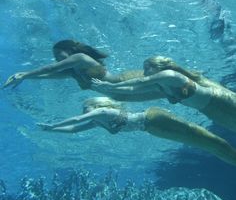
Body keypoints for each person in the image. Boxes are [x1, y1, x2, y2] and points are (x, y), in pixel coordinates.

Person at [37, 97, 236, 166]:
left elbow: (78, 119)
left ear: (95, 105)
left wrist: (54, 124)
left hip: (153, 117)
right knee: (198, 140)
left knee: (196, 134)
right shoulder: (99, 122)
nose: (85, 111)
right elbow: (74, 129)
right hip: (151, 128)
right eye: (85, 109)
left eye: (87, 107)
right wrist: (51, 131)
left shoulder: (103, 111)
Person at [91, 56, 236, 133]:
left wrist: (111, 85)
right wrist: (111, 90)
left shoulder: (169, 74)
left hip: (218, 99)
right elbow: (132, 90)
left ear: (157, 67)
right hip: (209, 110)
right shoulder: (162, 86)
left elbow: (142, 81)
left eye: (147, 68)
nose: (145, 72)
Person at [2, 40, 163, 101]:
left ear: (70, 50)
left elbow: (52, 68)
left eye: (59, 54)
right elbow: (51, 75)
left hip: (125, 81)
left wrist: (24, 73)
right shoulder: (74, 71)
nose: (57, 58)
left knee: (166, 83)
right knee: (167, 94)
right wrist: (25, 78)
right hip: (120, 95)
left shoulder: (79, 58)